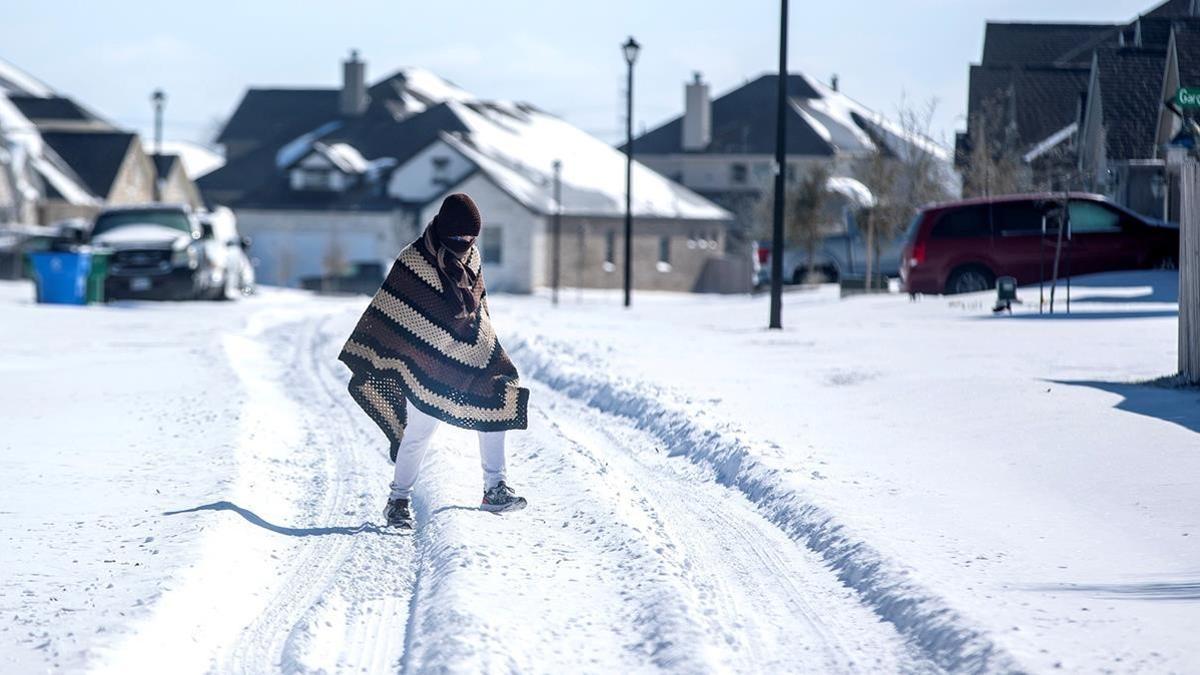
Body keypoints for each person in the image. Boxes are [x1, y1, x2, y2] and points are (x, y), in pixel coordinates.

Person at [338, 193, 530, 529]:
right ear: (444, 230)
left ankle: (494, 488)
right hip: (425, 361)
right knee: (419, 432)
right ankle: (398, 501)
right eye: (458, 238)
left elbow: (479, 306)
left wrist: (482, 341)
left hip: (470, 352)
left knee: (498, 396)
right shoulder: (413, 259)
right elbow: (394, 309)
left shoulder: (473, 256)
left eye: (471, 239)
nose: (464, 244)